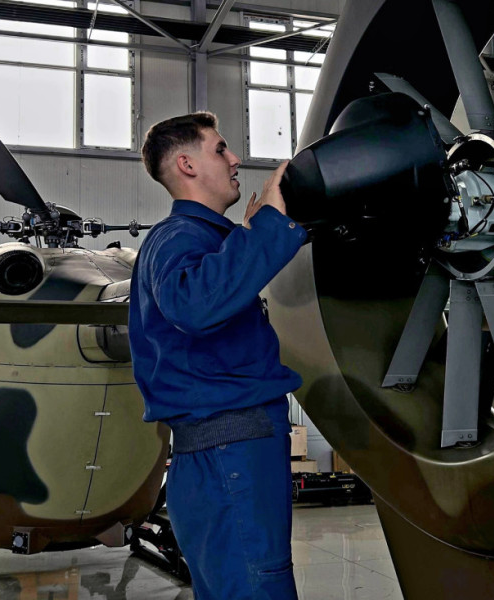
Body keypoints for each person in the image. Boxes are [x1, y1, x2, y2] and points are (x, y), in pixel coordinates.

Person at [129, 111, 307, 600]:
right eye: (221, 148)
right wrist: (267, 228)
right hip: (232, 451)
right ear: (187, 165)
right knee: (257, 587)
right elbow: (196, 304)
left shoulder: (206, 240)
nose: (236, 159)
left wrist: (248, 236)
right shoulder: (179, 236)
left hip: (222, 451)